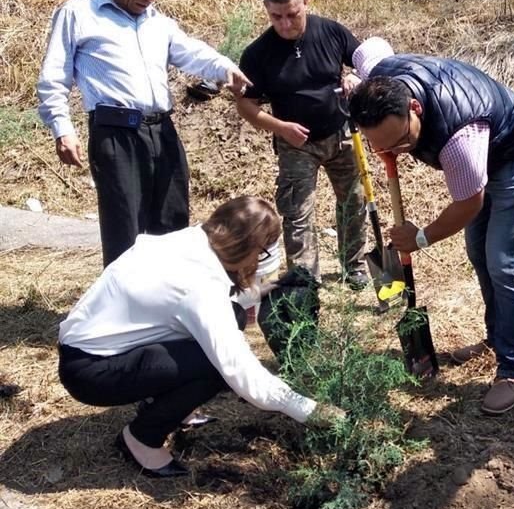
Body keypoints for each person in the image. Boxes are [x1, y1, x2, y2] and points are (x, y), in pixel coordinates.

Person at [57, 196, 345, 478]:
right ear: (246, 246)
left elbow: (213, 302)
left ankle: (165, 405)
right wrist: (311, 410)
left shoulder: (189, 242)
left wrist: (272, 285)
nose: (260, 261)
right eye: (262, 253)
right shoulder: (198, 286)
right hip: (92, 372)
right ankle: (143, 437)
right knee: (215, 367)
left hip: (95, 349)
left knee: (232, 315)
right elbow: (240, 371)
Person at [348, 38, 514, 415]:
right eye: (384, 146)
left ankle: (513, 369)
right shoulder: (381, 81)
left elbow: (469, 202)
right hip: (487, 156)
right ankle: (498, 338)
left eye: (401, 141)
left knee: (503, 262)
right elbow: (369, 49)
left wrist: (421, 237)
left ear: (414, 107)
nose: (396, 151)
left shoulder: (458, 135)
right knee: (478, 252)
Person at [37, 0, 250, 267]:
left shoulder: (158, 22)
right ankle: (125, 312)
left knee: (172, 223)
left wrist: (225, 68)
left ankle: (167, 306)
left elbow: (192, 52)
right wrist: (62, 129)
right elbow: (54, 76)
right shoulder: (79, 13)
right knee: (126, 229)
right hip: (115, 134)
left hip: (162, 130)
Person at [236, 0, 368, 290]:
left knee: (354, 202)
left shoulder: (332, 32)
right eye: (276, 16)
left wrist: (355, 79)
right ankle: (306, 279)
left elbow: (367, 62)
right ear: (267, 11)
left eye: (292, 15)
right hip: (295, 144)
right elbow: (246, 106)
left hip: (341, 134)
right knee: (296, 213)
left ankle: (355, 267)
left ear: (305, 2)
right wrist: (281, 128)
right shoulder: (258, 53)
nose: (285, 24)